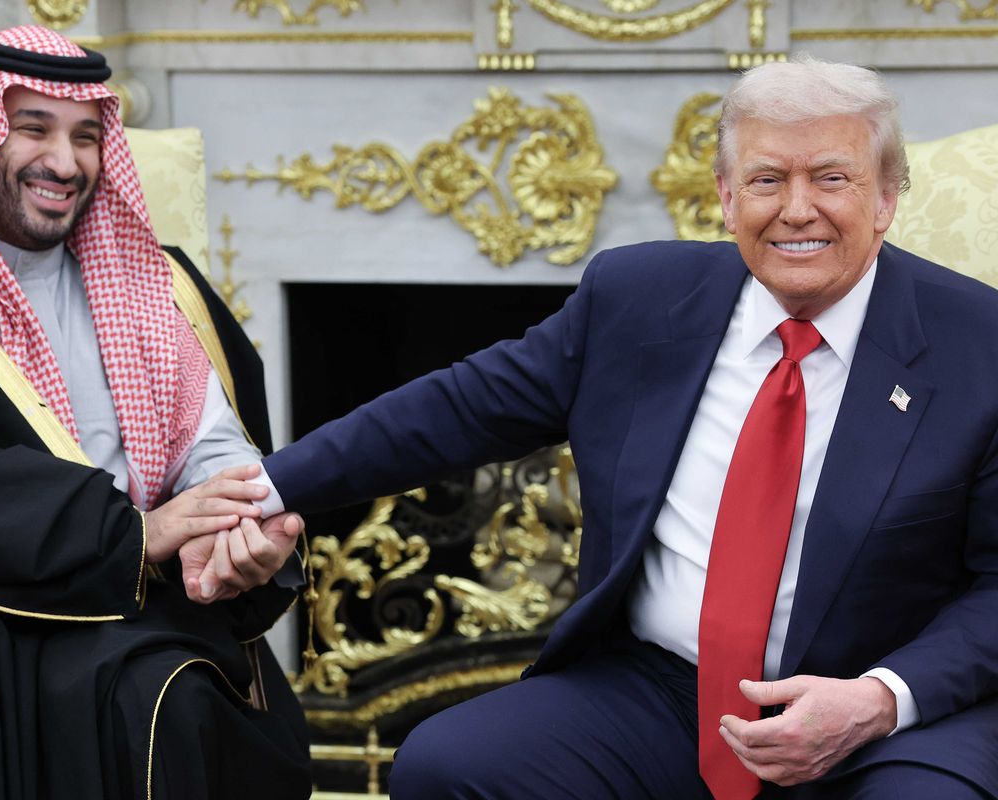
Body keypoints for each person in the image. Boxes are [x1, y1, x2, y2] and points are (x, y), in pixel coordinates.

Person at [221, 58, 998, 798]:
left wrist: (879, 699)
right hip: (665, 690)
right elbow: (457, 409)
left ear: (888, 198)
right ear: (727, 196)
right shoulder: (639, 297)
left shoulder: (979, 345)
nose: (797, 209)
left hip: (887, 716)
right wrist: (263, 489)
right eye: (767, 180)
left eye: (832, 178)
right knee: (449, 766)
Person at [0, 26, 310, 800]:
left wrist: (239, 531)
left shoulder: (156, 285)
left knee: (163, 694)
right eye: (32, 128)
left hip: (118, 592)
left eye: (85, 137)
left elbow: (216, 450)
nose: (64, 164)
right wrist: (130, 536)